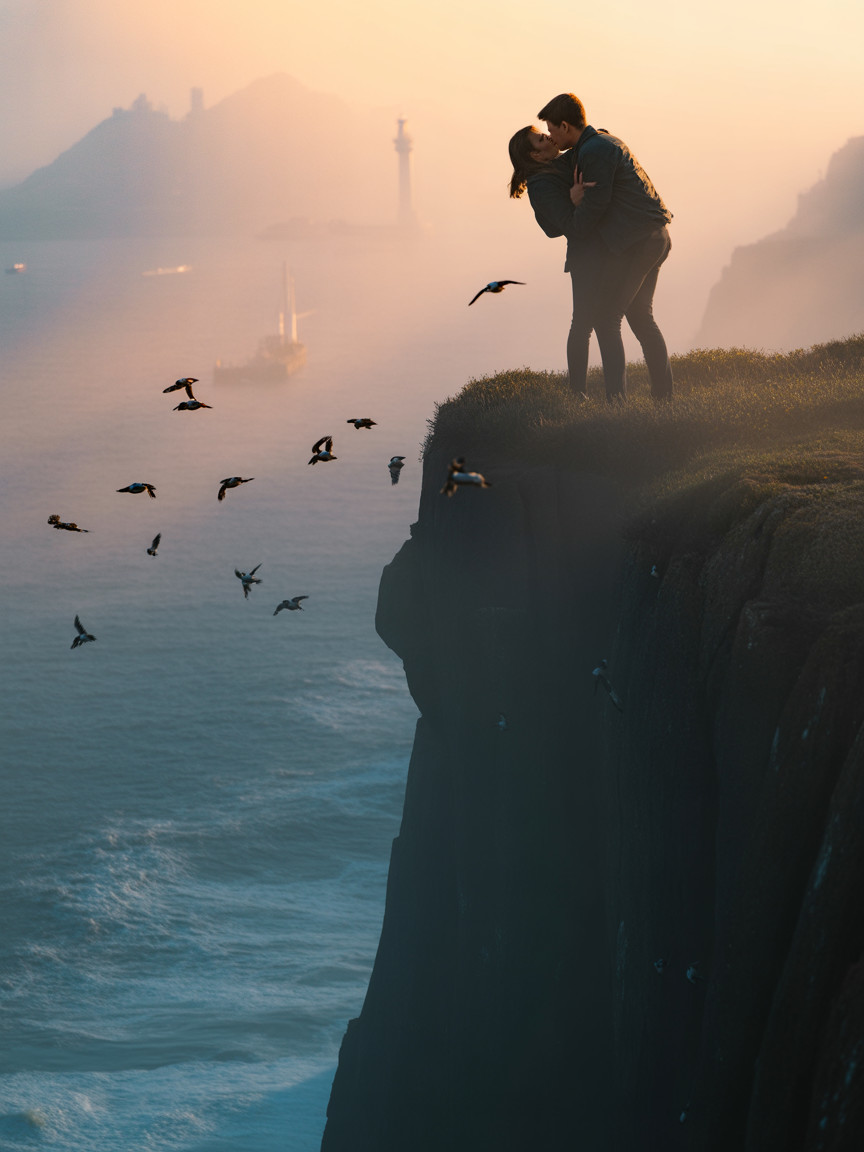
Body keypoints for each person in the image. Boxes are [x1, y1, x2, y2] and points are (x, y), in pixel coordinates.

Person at [537, 93, 674, 402]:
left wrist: (572, 208)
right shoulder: (603, 140)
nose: (551, 136)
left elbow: (592, 211)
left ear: (565, 125)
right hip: (655, 237)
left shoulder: (594, 151)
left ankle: (617, 402)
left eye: (552, 129)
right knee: (640, 316)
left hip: (640, 242)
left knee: (608, 317)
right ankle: (663, 399)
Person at [509, 124, 603, 400]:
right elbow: (560, 226)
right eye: (541, 138)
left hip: (593, 252)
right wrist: (574, 202)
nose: (548, 136)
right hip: (585, 257)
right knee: (585, 323)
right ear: (535, 156)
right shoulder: (540, 184)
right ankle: (578, 393)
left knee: (590, 322)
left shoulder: (556, 165)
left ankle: (583, 392)